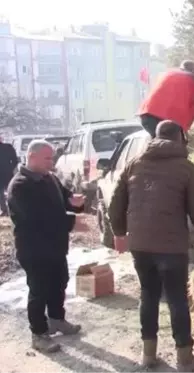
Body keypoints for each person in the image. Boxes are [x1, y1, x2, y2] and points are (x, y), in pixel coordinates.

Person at [108, 120, 194, 372]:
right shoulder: (187, 168)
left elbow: (115, 204)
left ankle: (148, 355)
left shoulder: (134, 164)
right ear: (181, 138)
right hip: (172, 246)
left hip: (140, 245)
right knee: (177, 300)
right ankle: (184, 359)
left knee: (148, 295)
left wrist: (119, 233)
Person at [6, 140, 86, 353]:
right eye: (47, 158)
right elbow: (37, 217)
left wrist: (74, 201)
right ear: (31, 156)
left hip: (56, 245)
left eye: (52, 158)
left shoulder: (49, 178)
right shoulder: (20, 185)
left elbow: (64, 198)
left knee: (59, 282)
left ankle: (57, 319)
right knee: (39, 290)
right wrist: (71, 222)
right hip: (34, 249)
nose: (52, 163)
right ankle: (38, 334)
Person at [137, 60, 194, 148]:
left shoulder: (166, 74)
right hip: (169, 122)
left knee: (158, 148)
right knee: (175, 150)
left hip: (146, 116)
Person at [0, 137, 18, 215]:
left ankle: (6, 210)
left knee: (6, 192)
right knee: (11, 191)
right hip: (8, 173)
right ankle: (9, 209)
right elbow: (15, 160)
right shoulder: (8, 147)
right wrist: (11, 168)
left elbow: (15, 160)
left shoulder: (8, 147)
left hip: (6, 173)